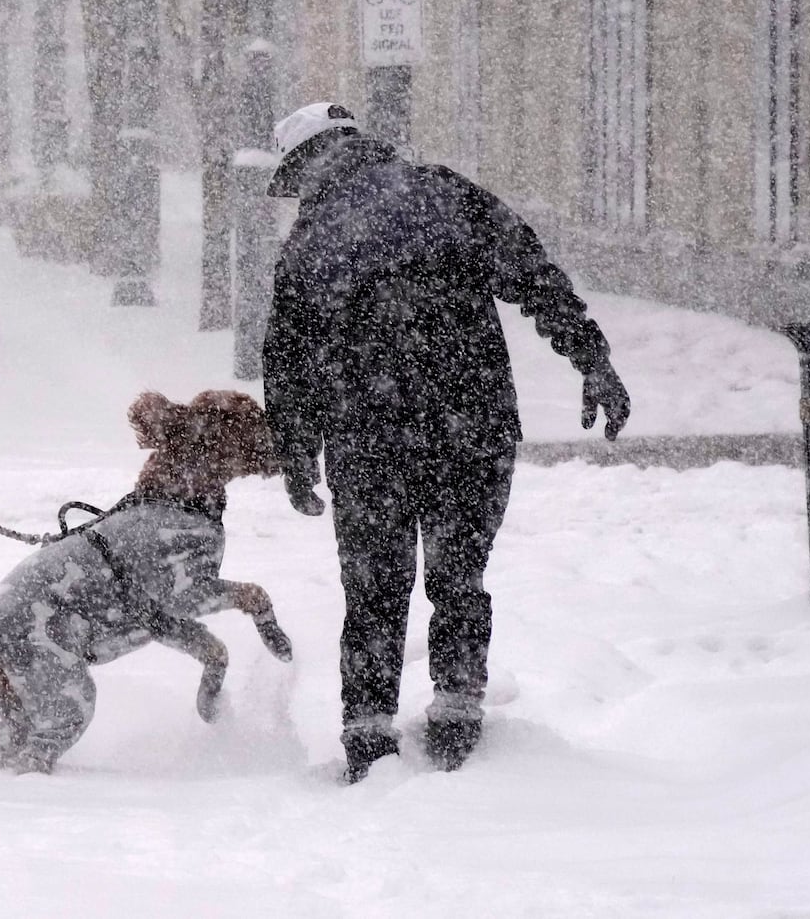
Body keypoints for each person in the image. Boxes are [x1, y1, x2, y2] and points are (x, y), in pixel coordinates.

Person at [258, 101, 632, 782]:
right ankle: (458, 710)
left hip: (369, 439)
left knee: (373, 589)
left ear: (308, 162)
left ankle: (368, 733)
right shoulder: (445, 193)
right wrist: (592, 359)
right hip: (473, 425)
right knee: (460, 577)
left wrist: (294, 448)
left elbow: (288, 359)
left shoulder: (312, 239)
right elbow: (533, 274)